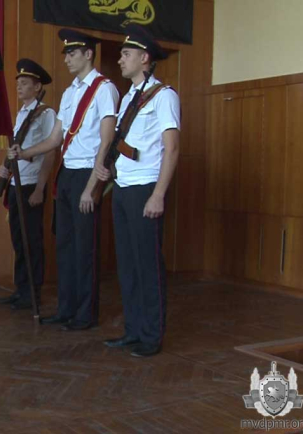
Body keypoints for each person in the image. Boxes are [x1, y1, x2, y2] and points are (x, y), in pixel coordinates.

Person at [8, 29, 119, 330]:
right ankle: (66, 309)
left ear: (88, 54)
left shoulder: (104, 89)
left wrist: (93, 186)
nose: (67, 59)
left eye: (72, 53)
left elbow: (107, 140)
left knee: (85, 248)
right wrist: (24, 152)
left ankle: (85, 313)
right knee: (66, 246)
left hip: (87, 172)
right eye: (66, 54)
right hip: (67, 173)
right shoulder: (70, 93)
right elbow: (55, 139)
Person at [102, 25, 180, 357]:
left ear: (144, 58)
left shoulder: (164, 96)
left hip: (146, 188)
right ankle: (133, 330)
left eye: (126, 54)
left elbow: (171, 148)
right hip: (123, 187)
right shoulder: (128, 97)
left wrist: (158, 194)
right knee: (128, 264)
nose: (120, 59)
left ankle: (151, 335)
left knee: (147, 264)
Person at [0, 58, 56, 311]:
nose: (19, 87)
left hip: (31, 185)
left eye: (24, 83)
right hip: (16, 183)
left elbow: (50, 151)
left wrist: (41, 188)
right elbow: (17, 150)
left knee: (32, 241)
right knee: (19, 240)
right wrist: (6, 168)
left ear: (37, 86)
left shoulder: (45, 114)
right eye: (18, 82)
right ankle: (21, 289)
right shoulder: (22, 113)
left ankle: (32, 292)